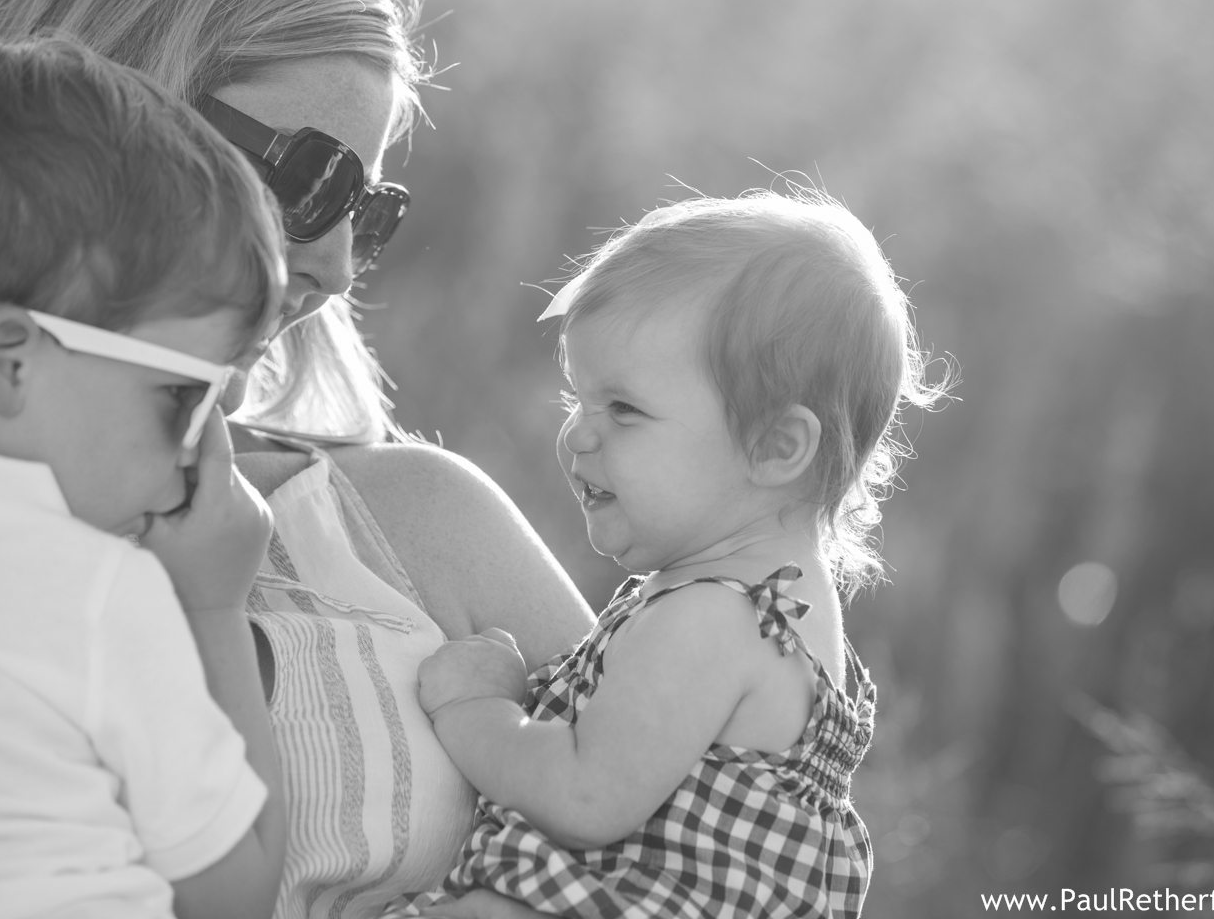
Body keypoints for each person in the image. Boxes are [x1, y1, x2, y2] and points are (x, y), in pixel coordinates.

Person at [0, 0, 597, 916]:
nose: (338, 269)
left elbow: (726, 853)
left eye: (371, 210)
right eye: (309, 183)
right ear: (96, 117)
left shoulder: (413, 526)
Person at [392, 188, 949, 918]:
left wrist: (475, 706)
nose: (579, 436)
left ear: (775, 446)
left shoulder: (712, 621)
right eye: (577, 401)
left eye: (623, 409)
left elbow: (583, 797)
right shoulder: (774, 612)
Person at [0, 37, 287, 918]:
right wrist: (210, 606)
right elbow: (236, 895)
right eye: (182, 397)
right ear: (10, 361)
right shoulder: (93, 594)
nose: (207, 445)